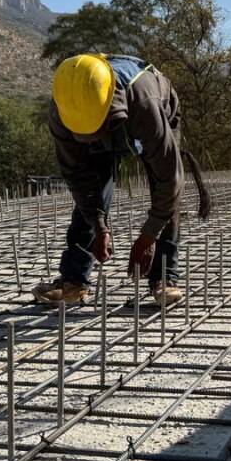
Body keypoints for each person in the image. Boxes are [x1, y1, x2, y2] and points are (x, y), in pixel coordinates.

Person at [31, 53, 208, 306]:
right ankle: (74, 281)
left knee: (164, 191)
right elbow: (78, 178)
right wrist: (99, 225)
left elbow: (170, 179)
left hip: (155, 111)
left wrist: (148, 236)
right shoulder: (63, 111)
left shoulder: (145, 104)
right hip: (112, 118)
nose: (92, 138)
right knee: (92, 191)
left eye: (96, 131)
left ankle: (164, 278)